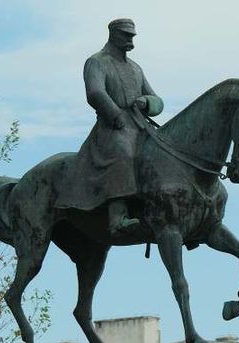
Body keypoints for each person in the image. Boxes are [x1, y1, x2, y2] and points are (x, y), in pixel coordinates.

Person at [57, 19, 164, 234]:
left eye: (132, 36)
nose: (130, 39)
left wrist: (146, 102)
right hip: (111, 127)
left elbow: (157, 100)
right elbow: (95, 92)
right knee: (123, 152)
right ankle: (118, 216)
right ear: (113, 34)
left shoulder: (136, 68)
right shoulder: (97, 61)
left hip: (140, 125)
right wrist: (115, 115)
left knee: (163, 153)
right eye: (125, 35)